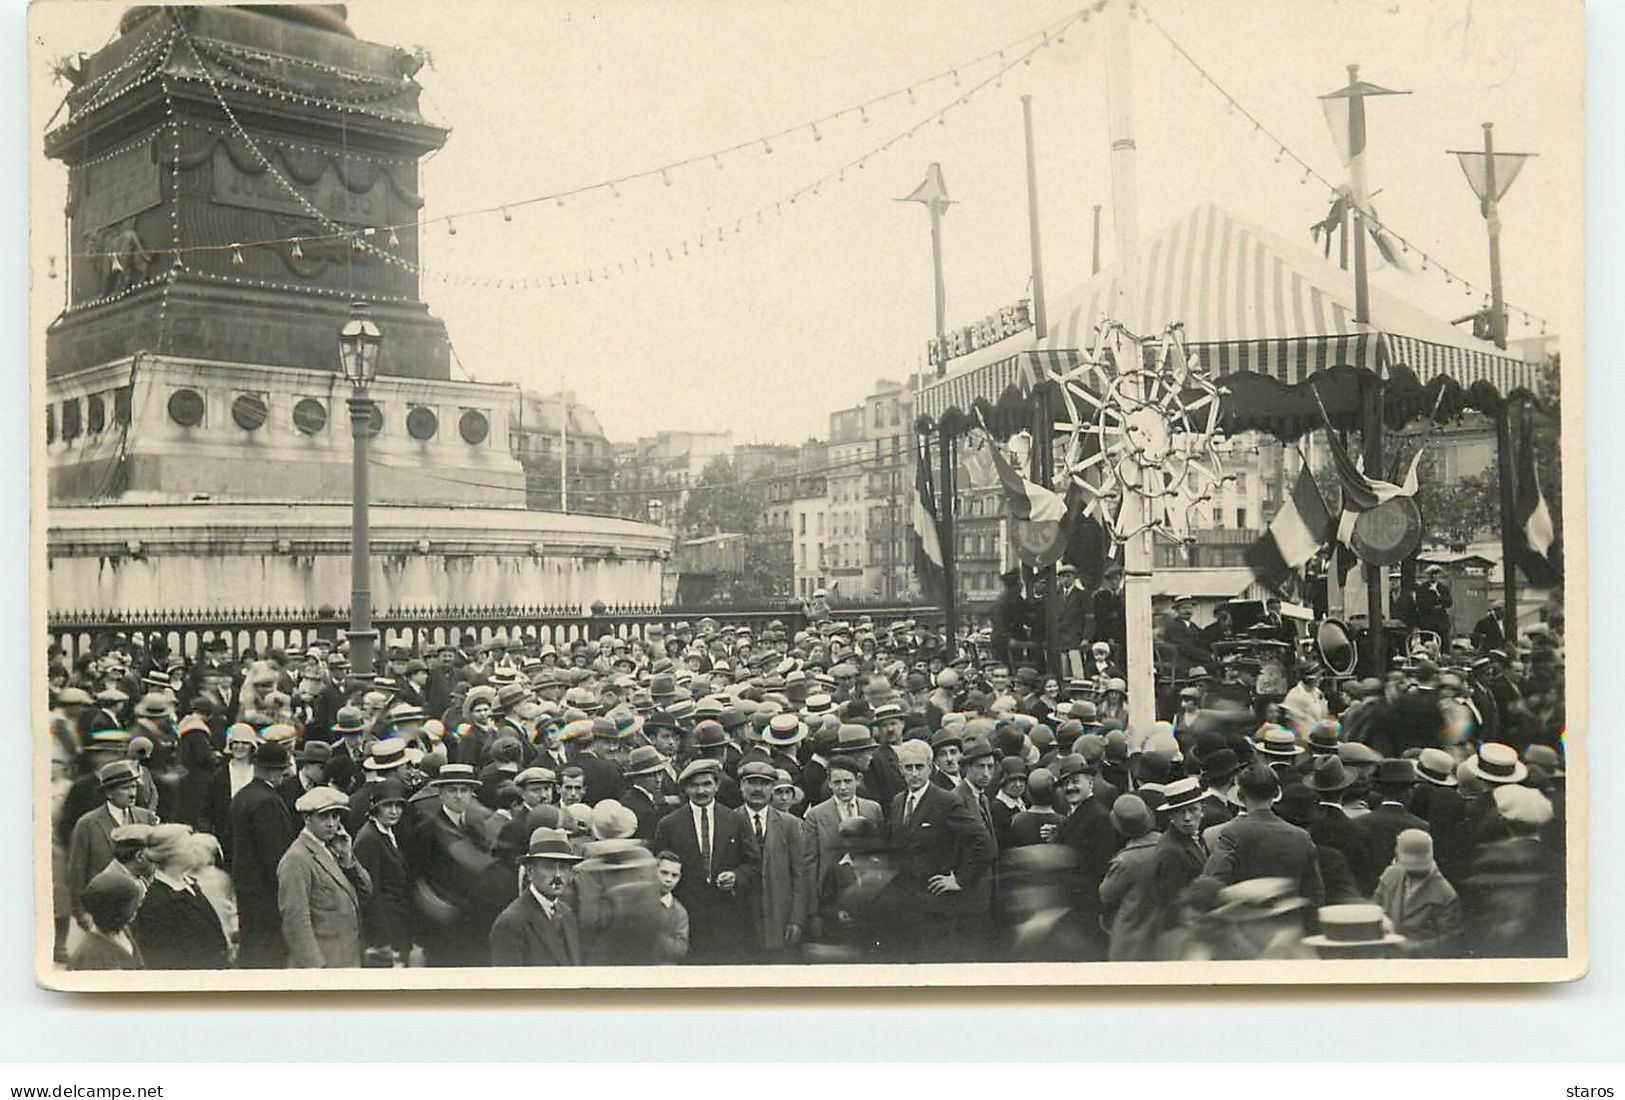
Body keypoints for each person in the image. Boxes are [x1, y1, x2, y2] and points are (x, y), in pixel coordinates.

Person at [883, 739, 993, 962]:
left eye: (919, 767)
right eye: (908, 767)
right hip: (906, 905)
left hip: (937, 906)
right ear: (900, 769)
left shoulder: (946, 800)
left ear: (930, 767)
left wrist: (960, 879)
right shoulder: (897, 801)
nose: (914, 774)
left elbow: (983, 842)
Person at [651, 759, 760, 963]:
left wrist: (736, 876)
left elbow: (753, 863)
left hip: (728, 918)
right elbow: (659, 870)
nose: (701, 790)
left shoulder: (735, 820)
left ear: (717, 785)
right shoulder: (669, 824)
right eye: (694, 785)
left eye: (707, 784)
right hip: (687, 918)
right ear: (685, 788)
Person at [1202, 765, 1325, 911]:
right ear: (1277, 793)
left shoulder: (1232, 833)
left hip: (1246, 923)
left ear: (1240, 796)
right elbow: (1315, 894)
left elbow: (1211, 881)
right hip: (1290, 924)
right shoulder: (1301, 836)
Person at [277, 786, 373, 968]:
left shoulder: (334, 848)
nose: (331, 823)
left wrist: (347, 857)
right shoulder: (297, 859)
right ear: (307, 819)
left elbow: (366, 891)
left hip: (348, 957)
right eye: (323, 816)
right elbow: (295, 921)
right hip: (325, 963)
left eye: (335, 816)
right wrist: (317, 968)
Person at [66, 760, 160, 937]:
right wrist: (82, 915)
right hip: (103, 913)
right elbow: (76, 873)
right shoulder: (88, 823)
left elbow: (155, 862)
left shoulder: (146, 817)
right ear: (109, 793)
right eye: (125, 788)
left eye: (134, 787)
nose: (132, 793)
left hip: (142, 910)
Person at [229, 741, 300, 968]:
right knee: (269, 950)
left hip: (246, 884)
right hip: (266, 890)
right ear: (275, 770)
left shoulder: (242, 795)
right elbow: (274, 852)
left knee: (251, 943)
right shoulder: (268, 801)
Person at [736, 760, 812, 958]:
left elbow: (800, 875)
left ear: (772, 788)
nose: (758, 789)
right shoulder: (730, 820)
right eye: (752, 783)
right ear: (741, 786)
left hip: (779, 916)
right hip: (742, 917)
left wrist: (796, 920)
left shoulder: (790, 824)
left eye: (765, 784)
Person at [132, 825, 230, 969]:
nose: (196, 850)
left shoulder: (189, 885)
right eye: (189, 846)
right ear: (173, 854)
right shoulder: (158, 904)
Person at [488, 827, 584, 967]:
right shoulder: (511, 923)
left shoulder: (566, 913)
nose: (557, 876)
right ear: (530, 871)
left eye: (563, 867)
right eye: (549, 867)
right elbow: (508, 984)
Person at [352, 778, 414, 966]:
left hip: (397, 921)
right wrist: (382, 940)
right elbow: (370, 892)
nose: (394, 811)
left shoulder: (386, 832)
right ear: (375, 808)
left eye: (398, 805)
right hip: (387, 929)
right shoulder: (369, 839)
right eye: (388, 805)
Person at [1374, 829, 1462, 957]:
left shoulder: (1445, 894)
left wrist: (1411, 947)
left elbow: (1451, 942)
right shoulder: (1390, 875)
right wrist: (1381, 918)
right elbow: (1375, 904)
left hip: (1420, 963)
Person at [1099, 793, 1163, 961]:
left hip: (1133, 936)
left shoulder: (1125, 861)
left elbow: (1106, 895)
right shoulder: (1167, 845)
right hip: (1164, 933)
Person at [69, 869, 146, 971]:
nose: (137, 908)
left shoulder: (124, 932)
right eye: (132, 907)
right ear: (117, 913)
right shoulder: (89, 958)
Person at [652, 851, 691, 962]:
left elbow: (680, 950)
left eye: (674, 875)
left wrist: (653, 933)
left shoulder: (679, 912)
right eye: (664, 873)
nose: (669, 879)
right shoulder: (637, 901)